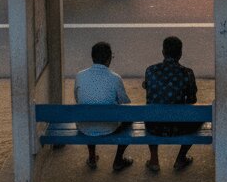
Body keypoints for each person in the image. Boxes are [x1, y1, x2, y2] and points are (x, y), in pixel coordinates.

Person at [142, 35, 200, 174]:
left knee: (151, 112)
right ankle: (180, 158)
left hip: (154, 126)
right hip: (178, 127)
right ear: (180, 54)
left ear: (163, 52)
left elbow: (149, 92)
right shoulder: (187, 73)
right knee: (199, 117)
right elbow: (192, 100)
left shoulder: (150, 70)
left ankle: (154, 160)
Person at [74, 41, 134, 173]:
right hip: (109, 127)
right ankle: (118, 160)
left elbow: (78, 99)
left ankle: (92, 157)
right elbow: (126, 104)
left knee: (88, 112)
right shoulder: (115, 78)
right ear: (108, 59)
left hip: (85, 126)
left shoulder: (80, 76)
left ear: (92, 57)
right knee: (130, 119)